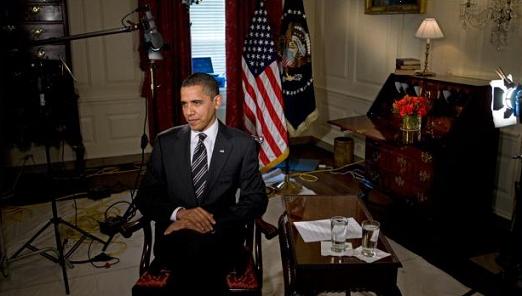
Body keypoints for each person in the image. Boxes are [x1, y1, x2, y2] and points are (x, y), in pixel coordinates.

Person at [136, 72, 268, 294]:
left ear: (217, 101)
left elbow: (256, 200)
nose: (189, 112)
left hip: (221, 235)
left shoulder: (241, 144)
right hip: (173, 236)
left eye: (196, 103)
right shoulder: (165, 142)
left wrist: (206, 220)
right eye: (184, 104)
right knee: (191, 249)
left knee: (198, 250)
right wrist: (180, 215)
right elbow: (145, 197)